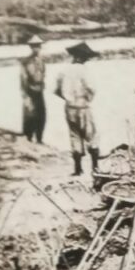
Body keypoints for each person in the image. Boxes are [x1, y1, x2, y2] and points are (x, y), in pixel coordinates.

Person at [54, 41, 100, 176]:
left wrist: (68, 99)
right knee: (91, 135)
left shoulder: (64, 71)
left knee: (74, 135)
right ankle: (95, 168)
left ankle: (78, 169)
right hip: (83, 105)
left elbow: (57, 90)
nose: (87, 60)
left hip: (69, 107)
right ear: (81, 57)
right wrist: (87, 99)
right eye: (86, 57)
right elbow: (92, 88)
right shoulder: (84, 70)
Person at [19, 35, 47, 143]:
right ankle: (28, 138)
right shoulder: (26, 61)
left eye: (39, 46)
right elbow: (23, 79)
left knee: (42, 115)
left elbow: (43, 74)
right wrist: (25, 95)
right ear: (31, 47)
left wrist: (42, 84)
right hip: (29, 91)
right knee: (29, 116)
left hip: (39, 91)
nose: (37, 48)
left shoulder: (41, 60)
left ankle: (39, 139)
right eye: (35, 46)